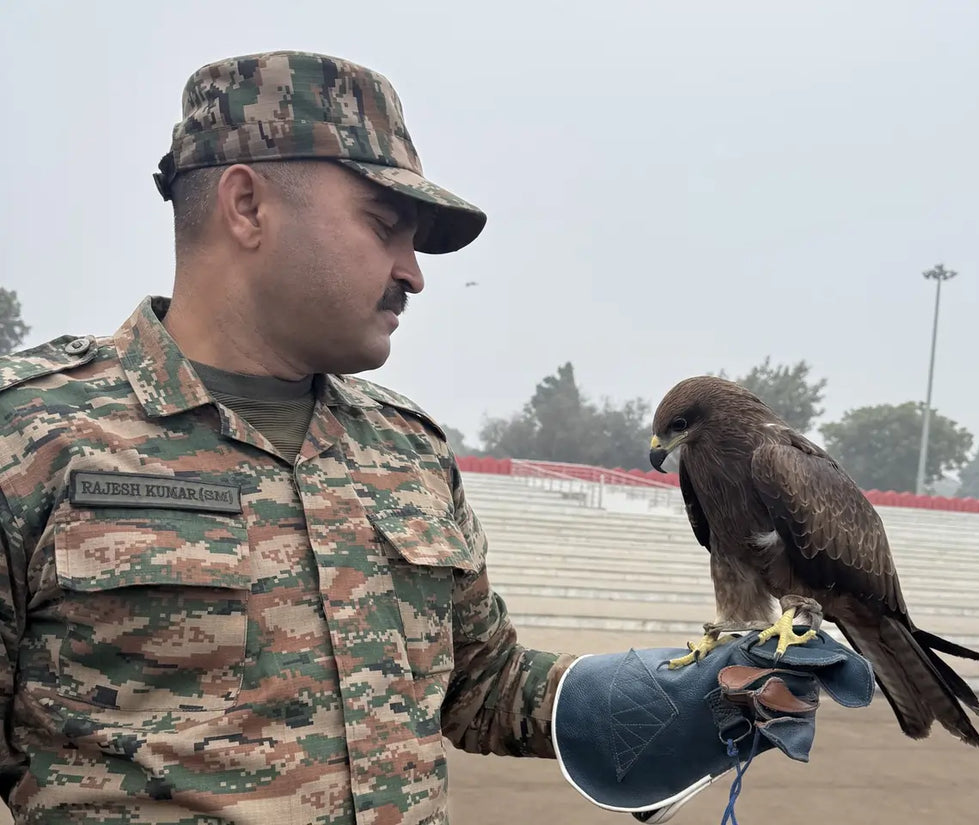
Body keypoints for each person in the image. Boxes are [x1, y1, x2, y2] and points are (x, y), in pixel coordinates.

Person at [0, 50, 578, 823]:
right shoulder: (31, 436)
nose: (413, 272)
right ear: (247, 206)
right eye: (384, 227)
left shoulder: (406, 450)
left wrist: (695, 688)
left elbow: (486, 686)